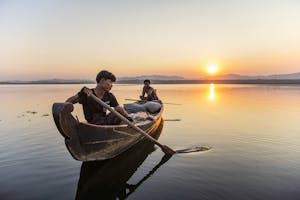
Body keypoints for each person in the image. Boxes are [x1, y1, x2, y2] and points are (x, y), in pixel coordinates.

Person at [66, 70, 132, 125]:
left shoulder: (109, 96)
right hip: (92, 123)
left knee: (120, 110)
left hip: (104, 121)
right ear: (102, 80)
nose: (111, 85)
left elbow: (118, 108)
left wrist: (128, 118)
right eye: (110, 82)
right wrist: (79, 94)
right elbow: (67, 102)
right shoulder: (88, 93)